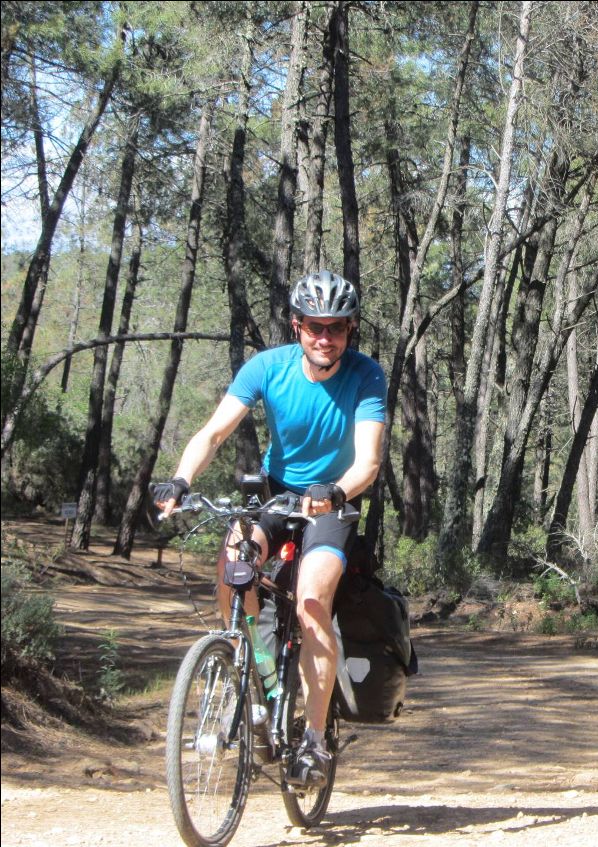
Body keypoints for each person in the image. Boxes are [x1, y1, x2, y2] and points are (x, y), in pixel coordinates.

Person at [153, 270, 386, 786]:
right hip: (278, 495)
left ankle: (313, 742)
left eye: (337, 328)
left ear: (350, 331)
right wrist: (178, 480)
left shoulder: (366, 376)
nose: (325, 338)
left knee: (309, 601)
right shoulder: (267, 367)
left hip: (333, 502)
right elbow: (213, 432)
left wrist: (337, 493)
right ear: (297, 326)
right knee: (233, 564)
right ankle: (254, 673)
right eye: (314, 327)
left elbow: (368, 461)